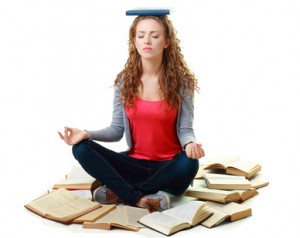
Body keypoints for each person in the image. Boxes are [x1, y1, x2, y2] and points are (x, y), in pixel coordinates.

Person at [58, 14, 205, 212]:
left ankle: (123, 193)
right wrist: (87, 134)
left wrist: (190, 145)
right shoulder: (124, 81)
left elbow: (185, 129)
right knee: (81, 148)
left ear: (167, 42)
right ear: (134, 41)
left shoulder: (182, 84)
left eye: (154, 35)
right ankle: (142, 198)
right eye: (141, 35)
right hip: (133, 165)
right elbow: (116, 130)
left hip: (169, 169)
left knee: (190, 163)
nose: (147, 40)